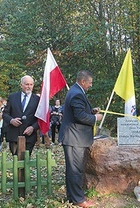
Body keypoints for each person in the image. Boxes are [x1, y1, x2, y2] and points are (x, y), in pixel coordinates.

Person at [58, 70, 103, 208]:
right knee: (75, 169)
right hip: (74, 138)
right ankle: (78, 200)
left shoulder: (75, 91)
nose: (90, 85)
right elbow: (79, 116)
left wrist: (91, 111)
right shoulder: (77, 93)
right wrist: (95, 118)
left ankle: (73, 196)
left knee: (73, 170)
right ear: (83, 81)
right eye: (89, 83)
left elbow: (78, 111)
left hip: (74, 137)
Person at [2, 75, 40, 156]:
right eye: (26, 84)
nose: (29, 87)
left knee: (25, 160)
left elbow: (41, 118)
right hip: (14, 134)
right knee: (16, 160)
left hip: (29, 135)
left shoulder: (38, 100)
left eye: (31, 84)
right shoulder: (12, 97)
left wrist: (33, 127)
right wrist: (11, 120)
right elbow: (5, 114)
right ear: (21, 85)